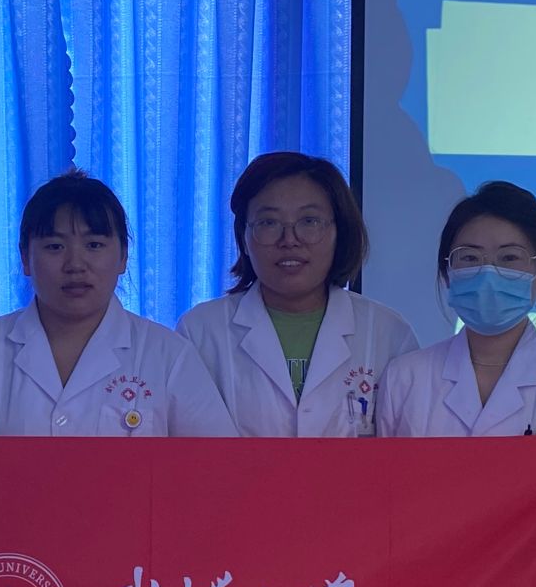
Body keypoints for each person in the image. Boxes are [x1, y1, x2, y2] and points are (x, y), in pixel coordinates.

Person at [0, 170, 234, 436]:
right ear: (25, 258)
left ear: (123, 256)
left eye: (94, 245)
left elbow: (217, 463)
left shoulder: (169, 356)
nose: (75, 264)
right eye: (55, 247)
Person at [177, 151, 417, 436]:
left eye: (309, 221)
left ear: (339, 232)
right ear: (244, 237)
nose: (289, 240)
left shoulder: (389, 333)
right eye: (268, 223)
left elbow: (411, 451)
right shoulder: (200, 332)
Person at [378, 180, 536, 436]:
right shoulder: (405, 378)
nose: (488, 274)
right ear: (447, 273)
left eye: (509, 257)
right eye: (470, 257)